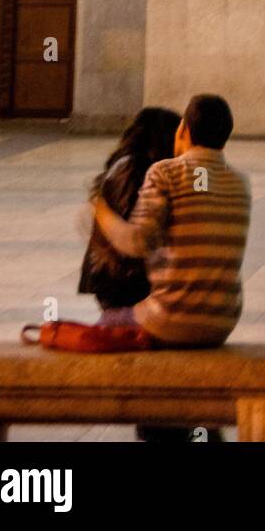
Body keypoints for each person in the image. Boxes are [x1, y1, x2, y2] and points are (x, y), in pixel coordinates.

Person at [93, 94, 251, 349]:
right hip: (223, 322)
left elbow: (137, 242)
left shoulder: (164, 172)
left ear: (184, 129)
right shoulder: (240, 182)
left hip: (169, 320)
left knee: (105, 325)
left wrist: (100, 212)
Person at [79, 106, 180, 314]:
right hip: (122, 280)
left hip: (126, 278)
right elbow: (130, 236)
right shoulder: (130, 168)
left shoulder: (146, 168)